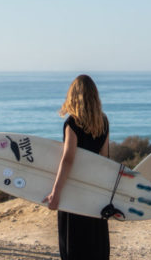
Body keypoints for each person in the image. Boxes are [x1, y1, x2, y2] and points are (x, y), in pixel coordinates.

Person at [42, 74, 110, 260]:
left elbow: (68, 159)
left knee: (74, 246)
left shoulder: (73, 122)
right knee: (96, 246)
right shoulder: (103, 122)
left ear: (73, 96)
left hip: (74, 193)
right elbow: (104, 160)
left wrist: (56, 192)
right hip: (94, 192)